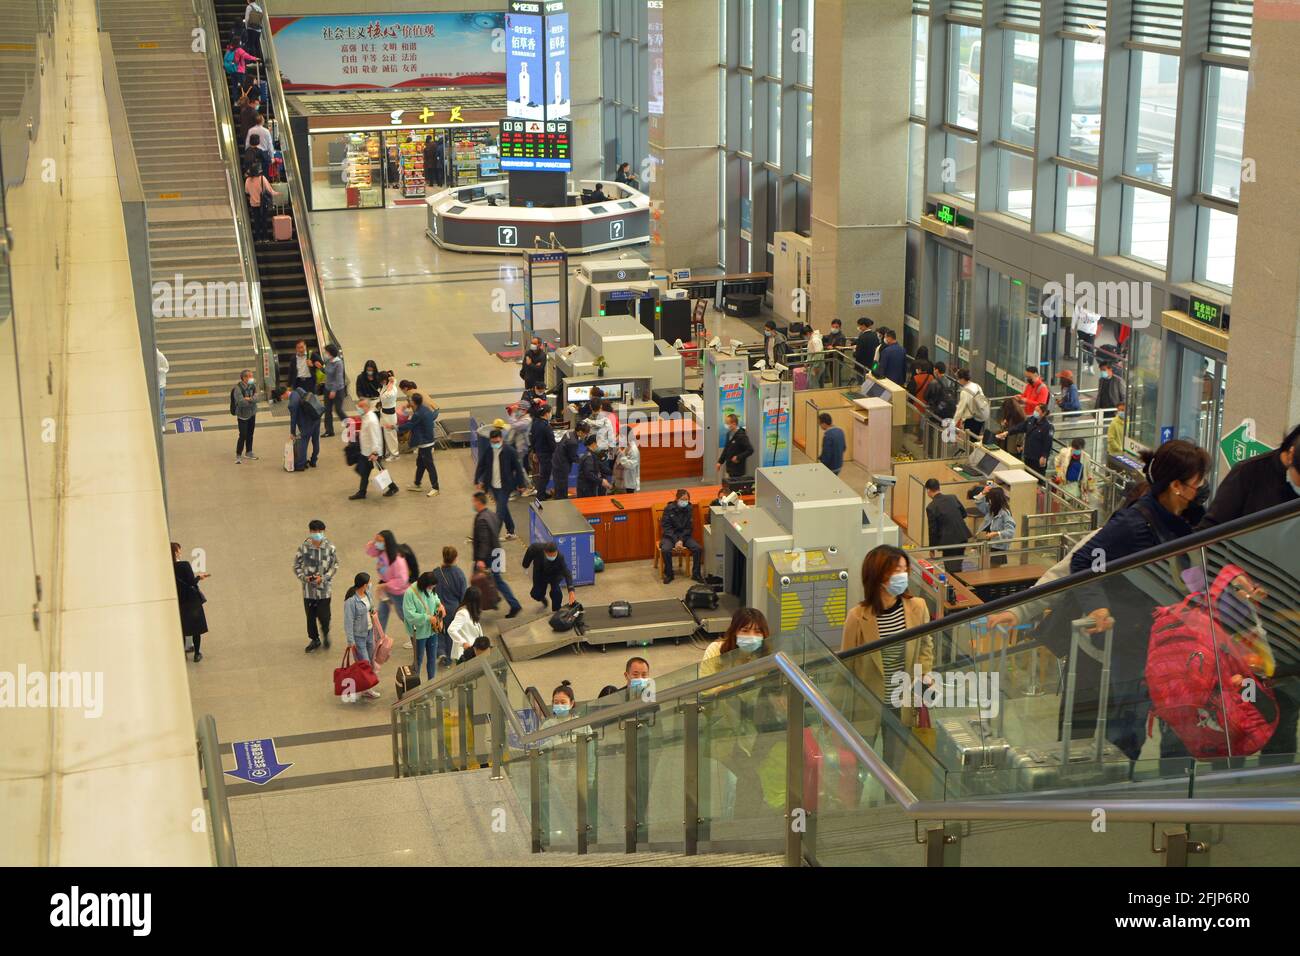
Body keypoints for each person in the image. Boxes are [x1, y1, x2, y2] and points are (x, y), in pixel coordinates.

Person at [1068, 440, 1212, 761]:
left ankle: (1169, 797)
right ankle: (1116, 795)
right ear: (1176, 486)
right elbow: (1084, 560)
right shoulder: (1133, 524)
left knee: (1179, 724)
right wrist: (1098, 606)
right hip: (1137, 642)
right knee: (1128, 722)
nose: (1202, 489)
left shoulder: (1190, 519)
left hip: (1176, 639)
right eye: (1197, 482)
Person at [840, 546, 934, 769]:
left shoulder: (917, 607)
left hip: (902, 701)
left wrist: (925, 675)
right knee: (860, 768)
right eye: (894, 570)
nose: (901, 575)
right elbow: (845, 666)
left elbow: (925, 647)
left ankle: (891, 804)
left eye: (904, 569)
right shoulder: (857, 617)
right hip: (867, 704)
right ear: (877, 575)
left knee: (896, 767)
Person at [471, 491, 522, 617]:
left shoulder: (482, 519)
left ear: (478, 502)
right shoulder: (491, 514)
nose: (472, 504)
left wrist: (481, 559)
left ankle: (512, 604)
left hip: (488, 556)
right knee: (496, 580)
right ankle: (494, 599)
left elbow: (484, 540)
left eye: (473, 501)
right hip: (497, 551)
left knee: (485, 581)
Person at [474, 428, 526, 538]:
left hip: (505, 486)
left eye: (497, 442)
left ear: (501, 439)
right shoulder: (488, 450)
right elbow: (481, 465)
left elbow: (518, 468)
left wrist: (521, 484)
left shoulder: (509, 451)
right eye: (493, 442)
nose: (495, 444)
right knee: (503, 508)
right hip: (493, 486)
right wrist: (477, 480)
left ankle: (492, 536)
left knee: (499, 512)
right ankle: (511, 531)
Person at [294, 520, 337, 653]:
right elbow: (296, 566)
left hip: (324, 591)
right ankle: (314, 639)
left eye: (320, 531)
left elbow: (334, 566)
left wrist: (323, 578)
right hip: (309, 591)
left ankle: (325, 633)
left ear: (323, 531)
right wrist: (304, 577)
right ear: (310, 531)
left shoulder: (330, 548)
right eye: (314, 531)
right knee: (310, 617)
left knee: (325, 617)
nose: (317, 534)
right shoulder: (303, 548)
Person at [366, 531, 413, 641]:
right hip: (387, 590)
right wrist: (374, 542)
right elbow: (370, 551)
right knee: (381, 615)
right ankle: (377, 641)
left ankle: (417, 638)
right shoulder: (381, 553)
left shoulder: (397, 560)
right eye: (376, 540)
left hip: (399, 593)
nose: (377, 543)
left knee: (404, 616)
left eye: (380, 541)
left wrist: (385, 585)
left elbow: (402, 580)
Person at [342, 573, 383, 701]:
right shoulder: (351, 601)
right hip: (359, 637)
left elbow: (371, 607)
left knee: (370, 661)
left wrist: (373, 611)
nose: (371, 584)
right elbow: (348, 621)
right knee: (364, 663)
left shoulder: (367, 594)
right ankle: (366, 688)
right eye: (369, 582)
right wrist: (350, 640)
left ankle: (364, 687)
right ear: (364, 585)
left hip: (369, 633)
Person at [701, 607, 769, 678]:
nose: (751, 636)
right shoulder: (715, 649)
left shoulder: (767, 655)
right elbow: (703, 681)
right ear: (734, 631)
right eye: (745, 631)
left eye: (757, 632)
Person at [350, 398, 398, 500]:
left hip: (371, 453)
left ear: (367, 407)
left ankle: (392, 487)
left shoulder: (371, 420)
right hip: (366, 451)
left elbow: (375, 437)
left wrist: (375, 453)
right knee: (366, 471)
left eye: (360, 406)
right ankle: (362, 491)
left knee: (373, 471)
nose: (358, 408)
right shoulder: (366, 416)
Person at [402, 571, 445, 682]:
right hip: (419, 633)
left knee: (432, 658)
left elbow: (435, 598)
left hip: (432, 630)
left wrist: (440, 605)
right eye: (430, 586)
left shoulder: (430, 588)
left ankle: (432, 683)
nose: (432, 589)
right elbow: (409, 615)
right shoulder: (410, 593)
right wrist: (427, 618)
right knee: (418, 659)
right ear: (424, 584)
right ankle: (415, 685)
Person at [172, 542, 210, 663]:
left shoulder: (168, 567)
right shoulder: (184, 565)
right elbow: (192, 582)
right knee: (196, 628)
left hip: (179, 601)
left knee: (182, 628)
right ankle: (197, 653)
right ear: (176, 551)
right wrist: (199, 577)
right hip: (192, 601)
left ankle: (182, 653)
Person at [924, 478, 971, 574]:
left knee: (950, 568)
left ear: (928, 490)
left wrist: (932, 549)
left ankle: (954, 586)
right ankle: (959, 584)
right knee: (958, 564)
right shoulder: (952, 497)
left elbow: (932, 530)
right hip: (962, 536)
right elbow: (964, 514)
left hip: (948, 541)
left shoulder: (931, 507)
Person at [398, 391, 440, 496]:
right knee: (420, 464)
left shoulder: (418, 414)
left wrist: (395, 427)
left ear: (414, 403)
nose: (408, 401)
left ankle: (436, 488)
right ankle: (417, 484)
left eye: (410, 400)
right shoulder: (424, 409)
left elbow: (410, 425)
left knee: (429, 465)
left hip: (425, 443)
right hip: (425, 442)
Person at [660, 488, 704, 584]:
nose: (684, 502)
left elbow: (689, 528)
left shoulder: (689, 508)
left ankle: (696, 574)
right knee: (665, 550)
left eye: (686, 499)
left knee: (698, 548)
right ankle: (669, 573)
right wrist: (676, 540)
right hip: (670, 536)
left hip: (685, 536)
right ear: (677, 499)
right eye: (682, 499)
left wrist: (680, 540)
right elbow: (666, 528)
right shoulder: (669, 508)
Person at [998, 402, 1055, 473]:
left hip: (1038, 457)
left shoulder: (1048, 427)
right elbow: (1019, 427)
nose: (1035, 412)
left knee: (1038, 477)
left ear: (1043, 413)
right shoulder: (1031, 420)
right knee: (1028, 474)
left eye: (1037, 411)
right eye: (1035, 410)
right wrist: (1007, 432)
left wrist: (1044, 456)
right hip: (1028, 455)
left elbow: (1048, 443)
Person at [523, 540, 577, 611]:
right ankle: (542, 598)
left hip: (555, 574)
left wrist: (571, 590)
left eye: (554, 555)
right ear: (545, 552)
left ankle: (556, 610)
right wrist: (525, 565)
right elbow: (529, 552)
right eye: (550, 555)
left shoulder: (560, 557)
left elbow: (567, 572)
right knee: (536, 594)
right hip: (540, 573)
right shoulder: (536, 548)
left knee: (556, 592)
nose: (552, 557)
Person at [972, 483, 1015, 566]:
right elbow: (978, 503)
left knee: (994, 569)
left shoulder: (1005, 513)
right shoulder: (992, 508)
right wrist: (983, 493)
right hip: (986, 542)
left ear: (995, 499)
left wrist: (996, 533)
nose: (989, 500)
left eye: (990, 498)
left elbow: (1010, 531)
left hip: (997, 546)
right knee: (983, 566)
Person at [281, 382, 321, 471]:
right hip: (315, 418)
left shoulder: (292, 403)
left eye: (282, 397)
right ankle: (313, 461)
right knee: (315, 441)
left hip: (306, 423)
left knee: (303, 443)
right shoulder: (299, 390)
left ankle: (301, 465)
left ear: (284, 394)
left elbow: (293, 420)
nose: (283, 399)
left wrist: (292, 432)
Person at [550, 420, 589, 500]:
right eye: (586, 433)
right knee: (562, 487)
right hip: (562, 465)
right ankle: (562, 503)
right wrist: (584, 461)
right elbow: (574, 457)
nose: (586, 435)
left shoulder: (569, 433)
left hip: (557, 460)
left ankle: (558, 499)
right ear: (581, 432)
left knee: (558, 485)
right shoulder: (573, 442)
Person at [448, 586, 486, 661]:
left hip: (475, 650)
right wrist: (463, 643)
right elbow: (451, 630)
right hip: (465, 654)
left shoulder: (471, 611)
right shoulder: (463, 613)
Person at [529, 405, 557, 498]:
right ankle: (540, 495)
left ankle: (542, 493)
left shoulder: (535, 423)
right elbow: (552, 442)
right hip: (546, 454)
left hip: (539, 452)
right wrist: (556, 453)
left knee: (543, 475)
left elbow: (532, 439)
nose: (551, 414)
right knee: (545, 476)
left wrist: (534, 452)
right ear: (546, 414)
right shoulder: (546, 426)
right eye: (551, 412)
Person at [231, 369, 258, 463]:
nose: (252, 378)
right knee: (243, 434)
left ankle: (249, 451)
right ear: (244, 378)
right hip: (242, 415)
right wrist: (252, 401)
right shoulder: (237, 389)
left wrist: (249, 399)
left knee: (250, 433)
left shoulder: (253, 385)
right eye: (250, 376)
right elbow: (241, 402)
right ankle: (238, 454)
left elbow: (257, 397)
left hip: (252, 413)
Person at [953, 368, 989, 437]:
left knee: (967, 442)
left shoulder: (964, 392)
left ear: (963, 379)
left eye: (959, 379)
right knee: (975, 439)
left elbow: (960, 410)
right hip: (980, 417)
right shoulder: (977, 386)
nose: (958, 381)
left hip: (970, 420)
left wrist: (953, 423)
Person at [321, 343, 347, 437]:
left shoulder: (338, 363)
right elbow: (327, 372)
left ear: (330, 352)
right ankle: (329, 431)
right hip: (327, 388)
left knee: (338, 409)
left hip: (338, 390)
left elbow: (338, 378)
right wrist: (320, 367)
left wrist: (333, 390)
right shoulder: (328, 361)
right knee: (327, 410)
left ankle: (349, 424)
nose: (325, 353)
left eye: (326, 352)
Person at [716, 413, 753, 479]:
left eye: (727, 423)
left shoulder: (741, 436)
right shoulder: (729, 434)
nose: (726, 425)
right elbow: (726, 449)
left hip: (738, 470)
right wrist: (720, 462)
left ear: (734, 423)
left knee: (736, 487)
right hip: (730, 468)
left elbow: (750, 450)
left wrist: (738, 457)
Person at [244, 163, 274, 241]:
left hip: (253, 204)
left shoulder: (247, 180)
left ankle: (258, 238)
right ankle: (265, 238)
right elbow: (268, 189)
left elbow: (247, 191)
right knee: (264, 220)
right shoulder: (262, 178)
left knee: (256, 221)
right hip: (263, 203)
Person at [377, 370, 401, 461]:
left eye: (382, 380)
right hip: (384, 413)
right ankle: (388, 452)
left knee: (391, 436)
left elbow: (386, 396)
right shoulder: (386, 385)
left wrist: (391, 383)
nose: (381, 382)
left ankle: (395, 454)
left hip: (390, 416)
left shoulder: (392, 390)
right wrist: (391, 380)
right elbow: (393, 380)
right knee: (386, 435)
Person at [245, 114, 273, 181]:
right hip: (263, 154)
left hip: (252, 153)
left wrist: (248, 151)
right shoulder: (266, 131)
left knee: (253, 174)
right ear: (262, 121)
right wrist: (272, 156)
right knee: (264, 175)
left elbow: (247, 143)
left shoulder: (251, 130)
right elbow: (270, 144)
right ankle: (263, 187)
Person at [616, 426, 641, 492]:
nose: (619, 437)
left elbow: (631, 465)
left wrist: (622, 456)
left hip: (629, 483)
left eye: (621, 436)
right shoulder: (625, 445)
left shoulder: (633, 450)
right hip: (622, 480)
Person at [155, 348, 169, 432]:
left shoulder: (159, 355)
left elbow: (166, 367)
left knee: (160, 407)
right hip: (154, 384)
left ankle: (162, 425)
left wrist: (159, 370)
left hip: (160, 385)